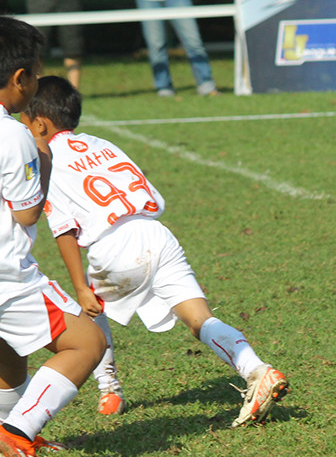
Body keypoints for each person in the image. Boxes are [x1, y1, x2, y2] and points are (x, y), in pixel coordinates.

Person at [22, 76, 289, 426]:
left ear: (39, 123)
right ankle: (258, 369)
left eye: (23, 121)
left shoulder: (47, 158)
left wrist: (81, 286)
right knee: (199, 319)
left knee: (91, 312)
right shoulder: (103, 144)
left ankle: (109, 388)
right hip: (156, 234)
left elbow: (64, 228)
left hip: (113, 245)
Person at [0, 15, 105, 457]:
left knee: (7, 353)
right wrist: (45, 158)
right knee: (86, 343)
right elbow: (26, 214)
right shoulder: (13, 134)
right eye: (35, 73)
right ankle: (15, 433)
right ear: (20, 79)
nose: (37, 81)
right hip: (1, 274)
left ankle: (13, 426)